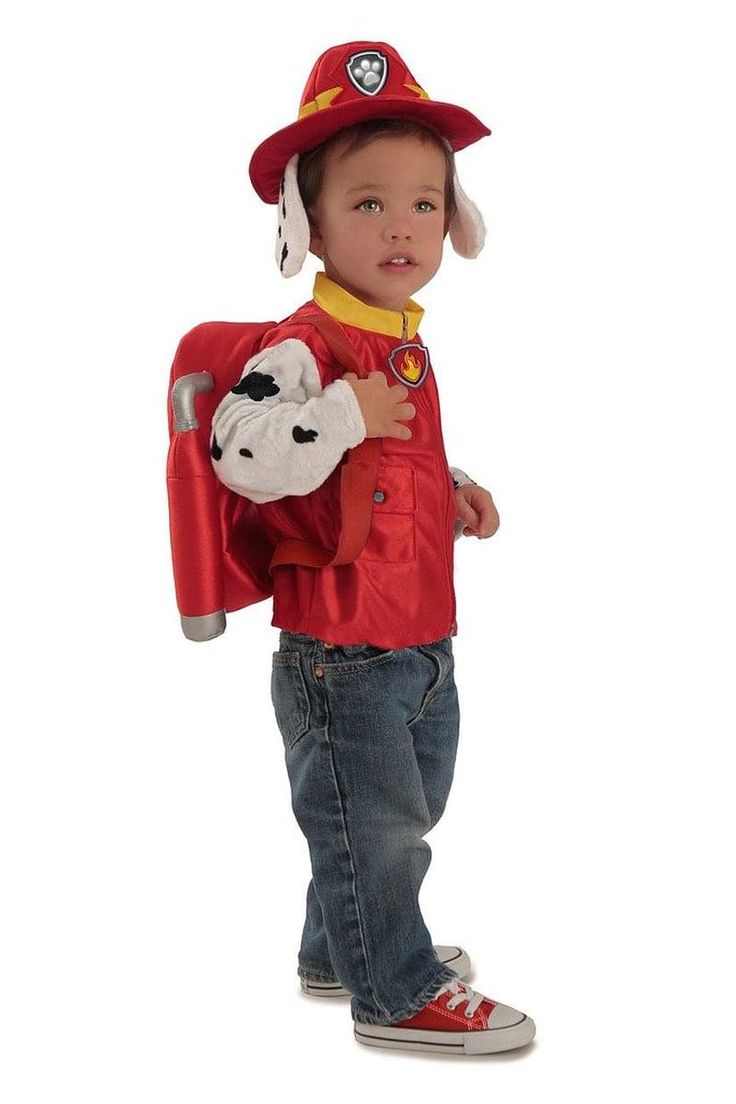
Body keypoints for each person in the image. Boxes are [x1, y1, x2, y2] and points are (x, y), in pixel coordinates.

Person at [209, 40, 535, 1056]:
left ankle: (335, 947)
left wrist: (455, 490)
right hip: (341, 652)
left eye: (424, 203)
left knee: (399, 808)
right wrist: (344, 411)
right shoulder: (304, 347)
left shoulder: (401, 336)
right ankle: (391, 990)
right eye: (366, 203)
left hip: (418, 638)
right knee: (379, 826)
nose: (401, 224)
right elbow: (240, 450)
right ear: (308, 225)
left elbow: (391, 467)